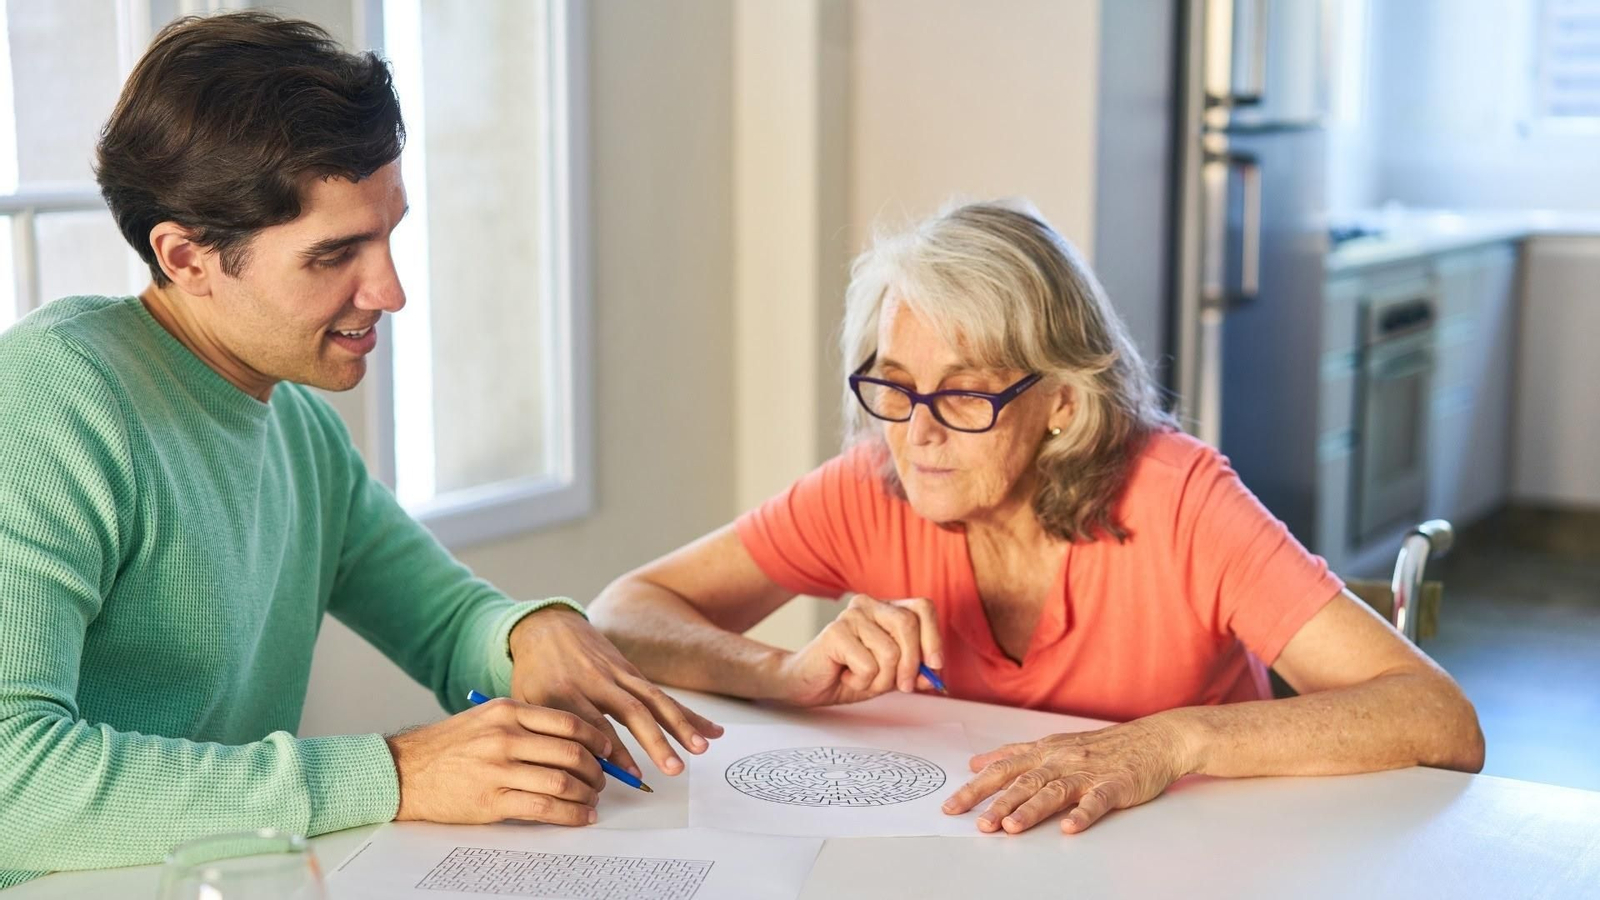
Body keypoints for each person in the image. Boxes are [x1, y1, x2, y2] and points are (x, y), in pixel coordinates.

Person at [0, 12, 718, 888]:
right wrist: (397, 771)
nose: (390, 290)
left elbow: (449, 621)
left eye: (389, 232)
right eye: (335, 253)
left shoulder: (295, 429)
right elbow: (14, 787)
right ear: (187, 256)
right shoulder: (53, 398)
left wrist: (533, 632)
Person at [589, 200, 1484, 838]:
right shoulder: (873, 481)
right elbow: (624, 614)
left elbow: (1439, 719)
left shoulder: (1178, 497)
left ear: (1060, 403)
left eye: (966, 395)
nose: (919, 432)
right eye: (894, 387)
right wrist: (782, 674)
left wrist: (1170, 740)